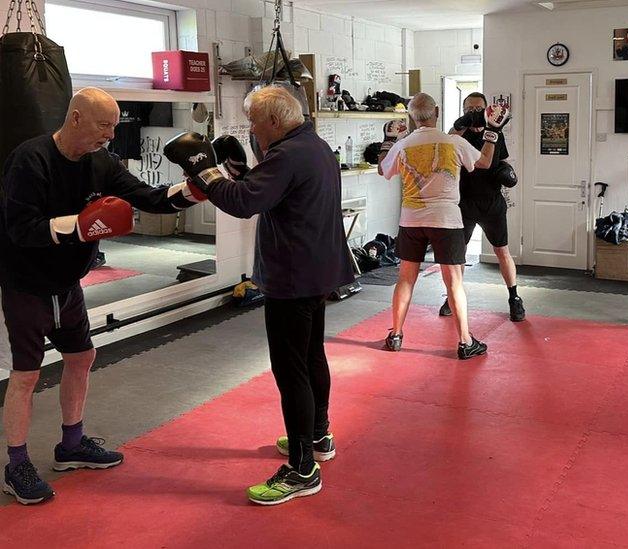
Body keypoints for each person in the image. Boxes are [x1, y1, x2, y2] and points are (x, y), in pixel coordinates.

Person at [0, 87, 206, 505]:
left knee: (81, 358)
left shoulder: (101, 162)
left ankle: (71, 445)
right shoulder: (30, 159)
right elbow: (20, 228)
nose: (111, 135)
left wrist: (197, 189)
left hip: (68, 282)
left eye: (114, 125)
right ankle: (15, 464)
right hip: (26, 284)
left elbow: (148, 197)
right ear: (75, 118)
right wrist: (80, 225)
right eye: (103, 125)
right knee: (26, 375)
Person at [164, 85, 354, 506]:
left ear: (272, 121)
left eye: (253, 120)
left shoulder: (286, 155)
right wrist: (237, 171)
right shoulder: (315, 146)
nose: (251, 129)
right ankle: (319, 435)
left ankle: (303, 469)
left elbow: (245, 203)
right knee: (310, 356)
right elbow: (268, 191)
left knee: (291, 370)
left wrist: (206, 171)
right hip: (317, 270)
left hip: (292, 275)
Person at [377, 92, 507, 359]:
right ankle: (464, 341)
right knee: (454, 283)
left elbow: (383, 169)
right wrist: (492, 131)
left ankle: (397, 334)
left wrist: (388, 140)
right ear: (436, 111)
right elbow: (483, 162)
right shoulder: (452, 142)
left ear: (412, 117)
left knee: (405, 278)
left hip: (411, 220)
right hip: (446, 220)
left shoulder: (403, 145)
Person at [438, 92, 524, 322]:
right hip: (464, 203)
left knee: (502, 251)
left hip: (492, 202)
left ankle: (514, 298)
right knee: (459, 254)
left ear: (486, 110)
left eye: (478, 108)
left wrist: (506, 172)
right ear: (464, 110)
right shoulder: (457, 134)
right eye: (470, 108)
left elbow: (501, 160)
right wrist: (461, 124)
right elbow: (447, 142)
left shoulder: (496, 131)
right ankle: (451, 297)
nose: (474, 112)